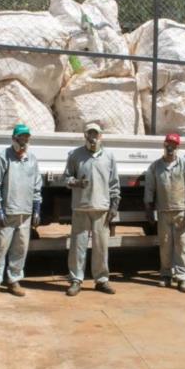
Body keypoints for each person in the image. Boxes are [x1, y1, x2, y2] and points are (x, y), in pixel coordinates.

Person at [0, 124, 42, 299]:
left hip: (25, 212)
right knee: (1, 248)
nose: (24, 141)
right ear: (14, 139)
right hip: (8, 211)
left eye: (26, 138)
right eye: (21, 138)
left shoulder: (31, 159)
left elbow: (37, 185)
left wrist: (37, 208)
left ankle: (14, 280)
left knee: (20, 248)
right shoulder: (3, 158)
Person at [63, 123, 120, 296]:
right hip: (81, 207)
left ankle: (101, 280)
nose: (92, 137)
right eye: (89, 134)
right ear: (85, 135)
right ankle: (75, 280)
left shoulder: (109, 156)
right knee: (78, 247)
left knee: (101, 247)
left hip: (101, 208)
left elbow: (114, 183)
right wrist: (76, 182)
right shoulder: (75, 155)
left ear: (100, 136)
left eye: (95, 134)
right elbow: (66, 178)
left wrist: (114, 205)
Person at [144, 133, 185, 293]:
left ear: (178, 147)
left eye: (173, 145)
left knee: (182, 246)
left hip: (180, 212)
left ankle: (182, 278)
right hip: (163, 212)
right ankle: (166, 274)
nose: (170, 147)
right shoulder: (155, 166)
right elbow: (150, 187)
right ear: (164, 145)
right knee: (165, 246)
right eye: (168, 144)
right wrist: (149, 207)